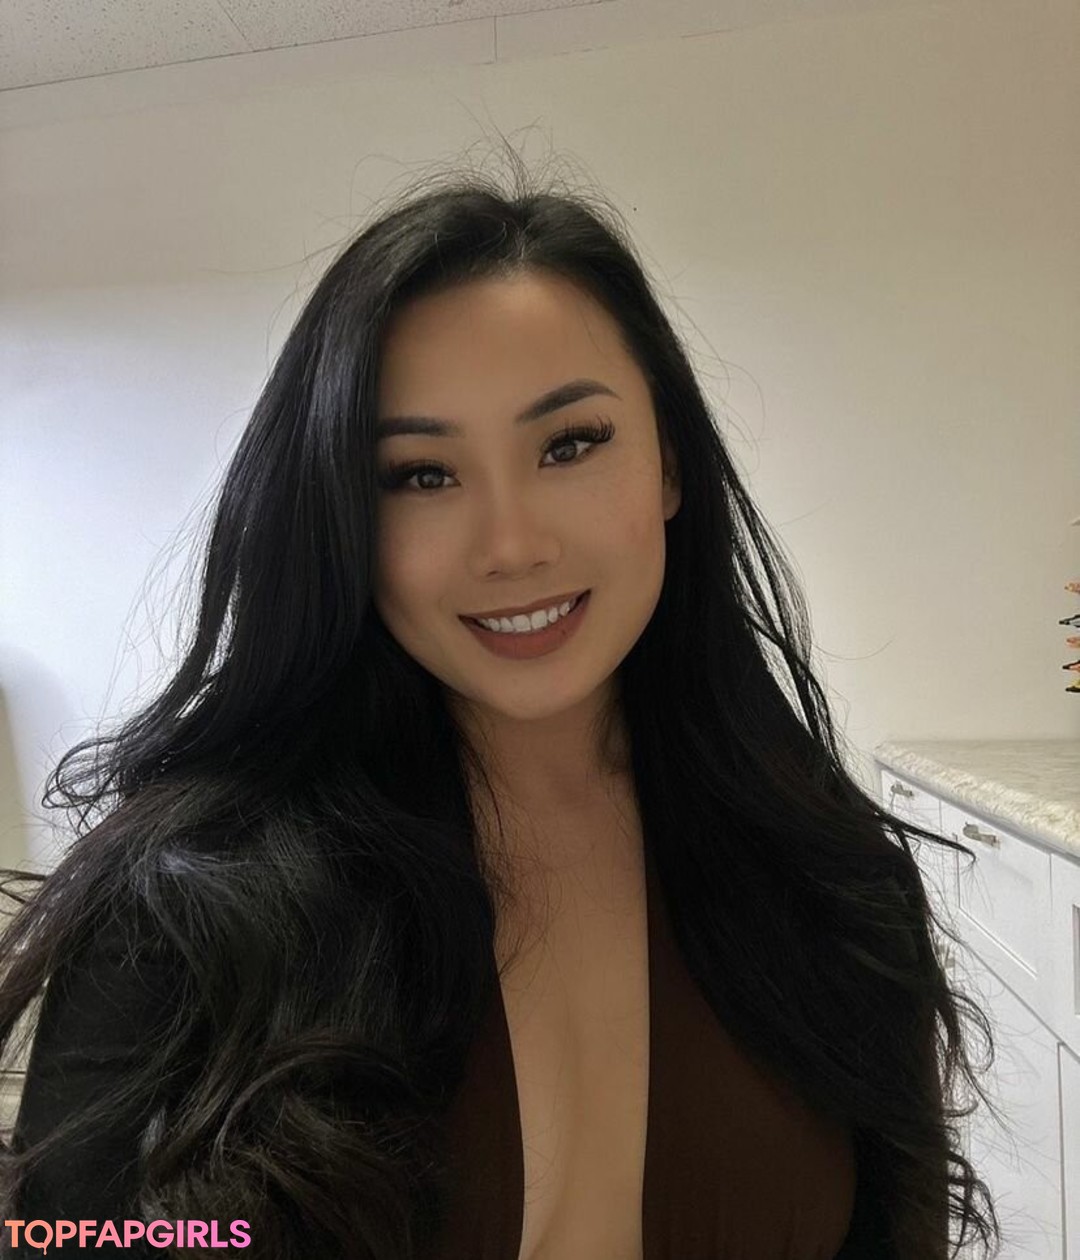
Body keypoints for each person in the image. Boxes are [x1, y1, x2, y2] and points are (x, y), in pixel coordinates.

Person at [0, 139, 1001, 1260]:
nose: (512, 545)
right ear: (343, 518)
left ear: (670, 465)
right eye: (421, 475)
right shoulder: (187, 911)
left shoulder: (825, 877)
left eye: (570, 444)